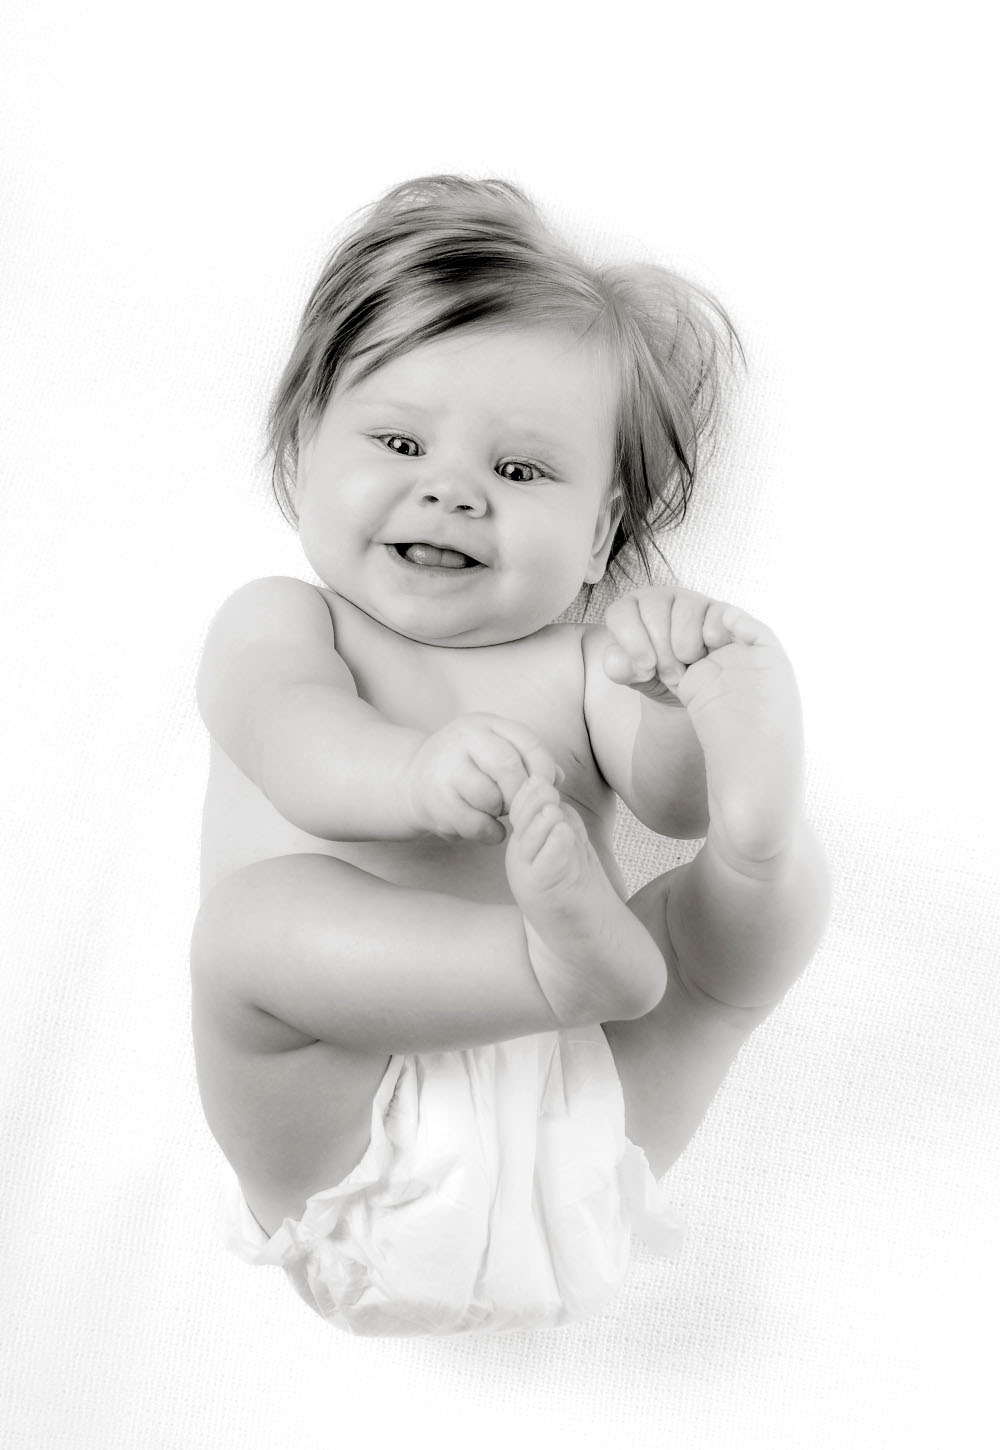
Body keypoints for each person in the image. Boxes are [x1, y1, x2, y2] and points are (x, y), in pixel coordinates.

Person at [190, 175, 830, 1336]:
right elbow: (293, 742)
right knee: (253, 930)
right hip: (343, 1115)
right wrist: (412, 777)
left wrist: (684, 706)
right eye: (397, 440)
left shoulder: (583, 659)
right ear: (298, 450)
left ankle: (768, 833)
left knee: (722, 921)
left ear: (599, 535)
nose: (451, 490)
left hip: (579, 1111)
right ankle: (553, 961)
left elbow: (665, 801)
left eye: (520, 471)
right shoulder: (282, 621)